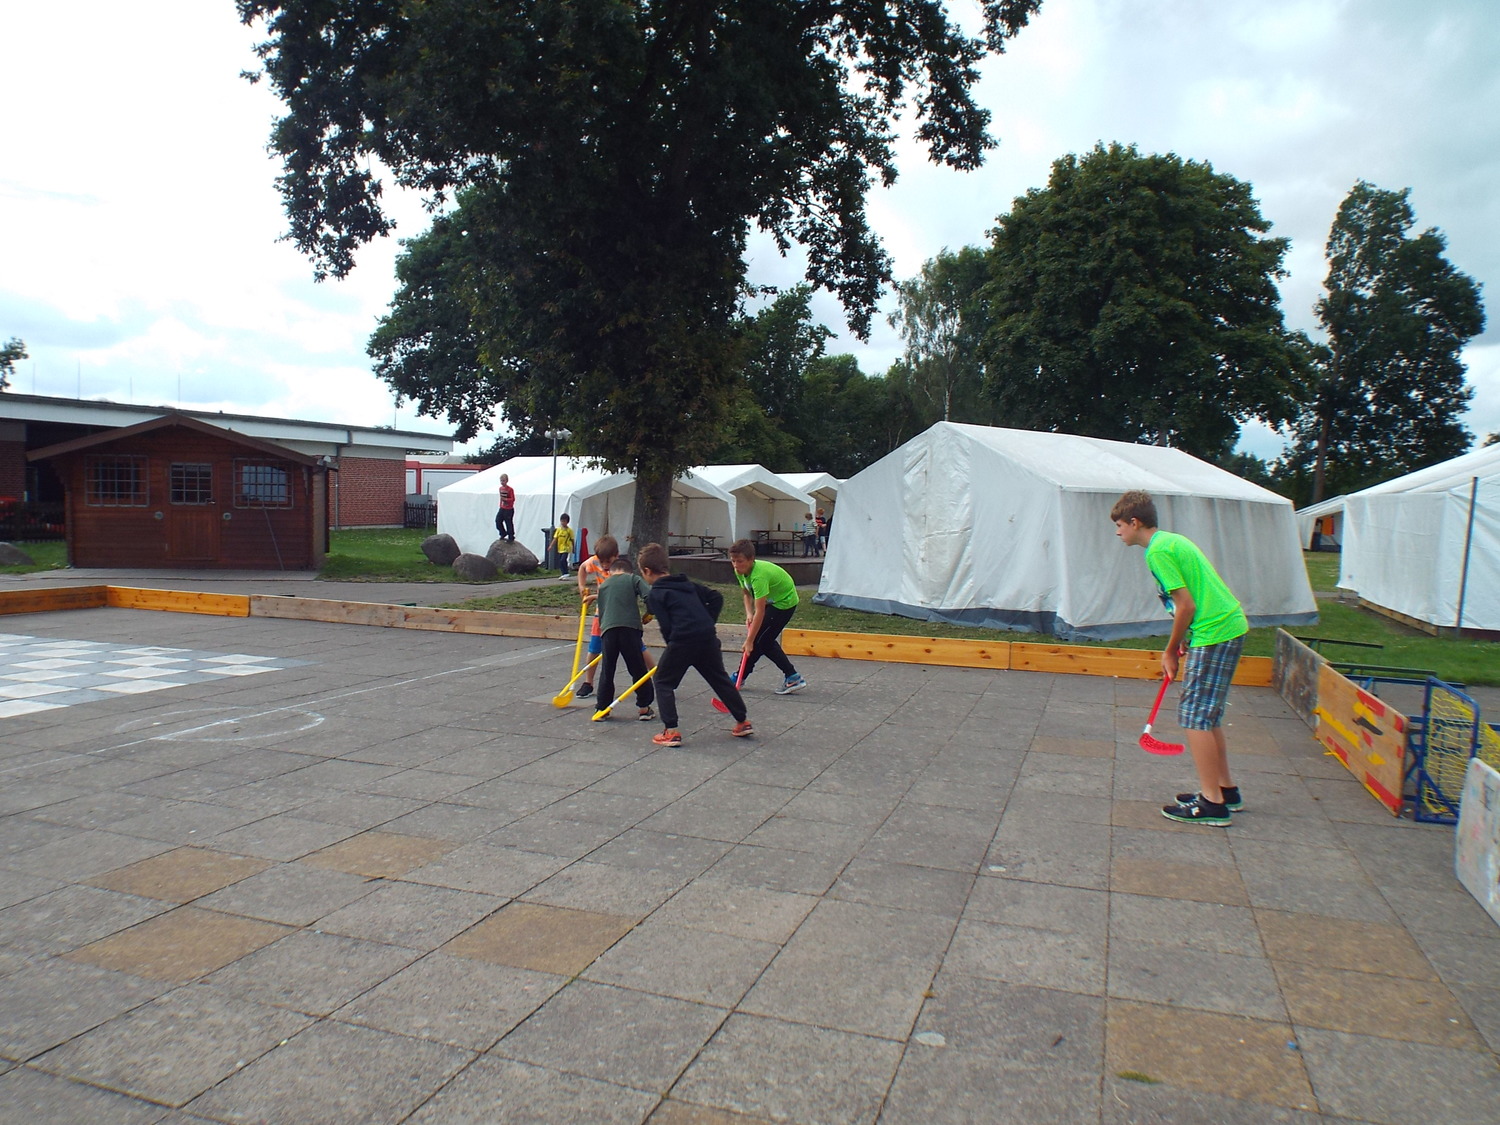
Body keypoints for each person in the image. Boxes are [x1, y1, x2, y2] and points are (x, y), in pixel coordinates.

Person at [1112, 490, 1249, 826]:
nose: (1118, 532)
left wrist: (1171, 650)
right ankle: (1225, 790)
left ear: (1135, 522)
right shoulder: (1171, 541)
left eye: (1119, 525)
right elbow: (1192, 601)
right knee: (1208, 716)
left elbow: (1185, 604)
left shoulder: (1157, 552)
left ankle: (1212, 804)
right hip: (1223, 627)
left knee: (1194, 717)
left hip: (1215, 631)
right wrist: (1187, 636)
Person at [638, 542, 751, 747]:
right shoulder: (687, 584)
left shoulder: (656, 594)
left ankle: (671, 731)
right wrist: (707, 622)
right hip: (706, 637)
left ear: (647, 571)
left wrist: (673, 646)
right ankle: (742, 721)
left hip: (682, 640)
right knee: (719, 678)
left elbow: (666, 626)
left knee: (663, 681)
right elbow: (716, 597)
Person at [728, 538, 807, 694]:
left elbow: (760, 611)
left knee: (763, 641)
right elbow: (746, 594)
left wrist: (749, 641)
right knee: (761, 640)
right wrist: (748, 613)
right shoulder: (740, 571)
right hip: (771, 600)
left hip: (784, 602)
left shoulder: (759, 577)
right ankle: (740, 676)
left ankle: (793, 677)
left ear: (751, 559)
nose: (736, 565)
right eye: (733, 561)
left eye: (740, 561)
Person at [585, 555, 655, 721]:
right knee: (637, 668)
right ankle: (644, 708)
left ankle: (602, 708)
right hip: (630, 629)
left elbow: (602, 612)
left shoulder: (604, 585)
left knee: (607, 670)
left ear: (611, 571)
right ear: (629, 571)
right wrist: (650, 613)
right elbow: (650, 596)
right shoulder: (633, 579)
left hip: (608, 630)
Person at [551, 513, 575, 578]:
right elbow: (555, 538)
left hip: (566, 548)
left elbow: (572, 540)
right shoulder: (559, 530)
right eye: (562, 521)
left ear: (567, 522)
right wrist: (551, 546)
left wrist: (573, 548)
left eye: (564, 521)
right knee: (560, 561)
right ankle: (563, 573)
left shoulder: (569, 531)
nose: (563, 523)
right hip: (560, 548)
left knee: (563, 559)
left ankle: (566, 572)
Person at [495, 473, 516, 541]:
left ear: (507, 481)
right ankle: (503, 533)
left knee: (508, 523)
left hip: (509, 509)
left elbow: (513, 499)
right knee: (498, 521)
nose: (502, 482)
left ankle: (511, 536)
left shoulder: (510, 489)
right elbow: (501, 498)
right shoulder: (500, 488)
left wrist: (506, 500)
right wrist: (501, 504)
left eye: (503, 481)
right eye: (501, 481)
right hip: (502, 508)